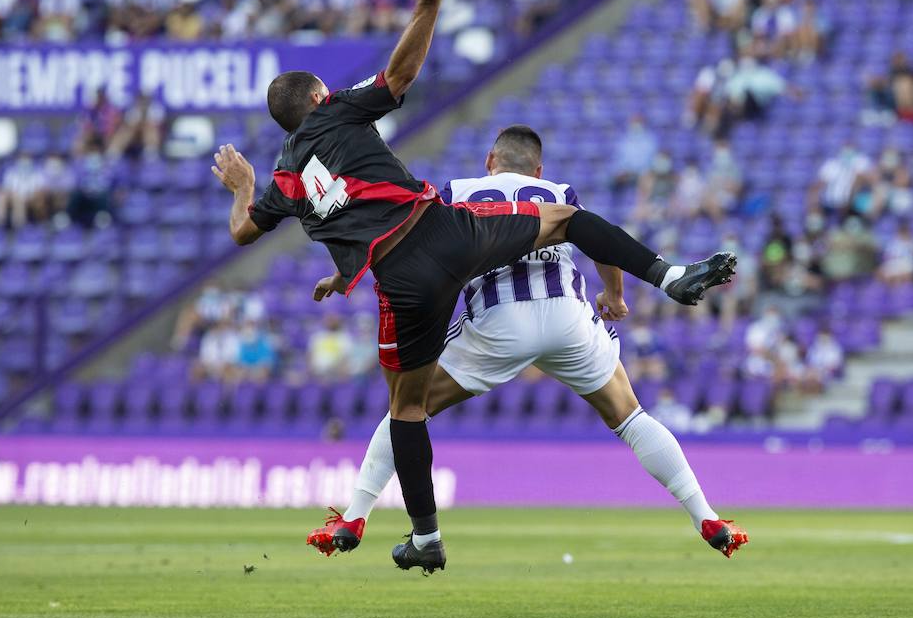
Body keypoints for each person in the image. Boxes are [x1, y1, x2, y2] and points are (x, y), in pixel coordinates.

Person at [211, 0, 737, 575]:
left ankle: (411, 531)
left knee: (406, 410)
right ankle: (669, 278)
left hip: (406, 285)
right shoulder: (336, 114)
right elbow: (398, 77)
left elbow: (246, 229)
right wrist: (428, 5)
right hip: (452, 238)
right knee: (566, 220)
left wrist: (245, 187)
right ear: (318, 98)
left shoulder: (279, 180)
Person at [309, 126, 747, 560]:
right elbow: (600, 241)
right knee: (631, 417)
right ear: (538, 170)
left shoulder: (456, 191)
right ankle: (705, 515)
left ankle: (356, 514)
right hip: (567, 317)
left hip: (500, 319)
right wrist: (614, 294)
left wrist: (348, 274)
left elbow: (406, 239)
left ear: (489, 162)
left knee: (408, 409)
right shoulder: (559, 193)